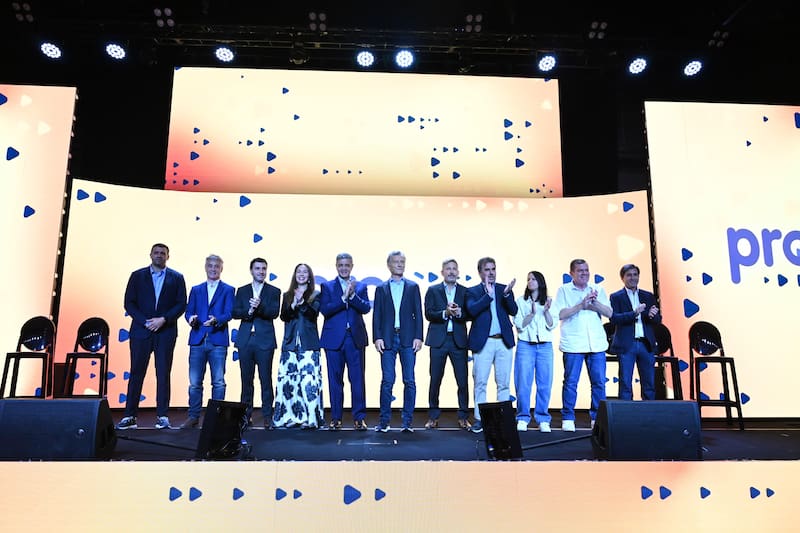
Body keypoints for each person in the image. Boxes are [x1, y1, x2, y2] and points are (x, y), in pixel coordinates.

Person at [116, 243, 187, 430]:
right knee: (136, 373)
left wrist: (163, 319)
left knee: (163, 374)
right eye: (156, 252)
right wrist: (145, 321)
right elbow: (129, 303)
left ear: (168, 257)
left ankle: (162, 416)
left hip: (166, 332)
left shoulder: (177, 278)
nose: (159, 255)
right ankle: (130, 416)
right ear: (150, 255)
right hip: (141, 331)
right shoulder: (137, 276)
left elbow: (181, 304)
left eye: (163, 253)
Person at [554, 258, 613, 431]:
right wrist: (581, 305)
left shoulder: (597, 289)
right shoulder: (564, 290)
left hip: (596, 343)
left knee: (599, 383)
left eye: (586, 270)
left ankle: (597, 418)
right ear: (571, 273)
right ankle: (568, 417)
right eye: (580, 271)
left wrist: (594, 303)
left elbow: (609, 313)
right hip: (574, 344)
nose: (584, 273)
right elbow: (560, 314)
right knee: (571, 382)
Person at [179, 254, 235, 429]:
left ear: (221, 269)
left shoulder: (228, 289)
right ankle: (193, 416)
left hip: (218, 341)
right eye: (210, 265)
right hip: (197, 339)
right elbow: (188, 311)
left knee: (218, 382)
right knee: (195, 383)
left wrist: (217, 320)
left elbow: (230, 313)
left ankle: (216, 419)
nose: (213, 269)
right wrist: (190, 318)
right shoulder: (196, 289)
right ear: (205, 267)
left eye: (216, 266)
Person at [465, 257, 518, 434]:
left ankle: (504, 420)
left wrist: (507, 295)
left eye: (493, 269)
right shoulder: (472, 291)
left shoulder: (504, 289)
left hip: (503, 342)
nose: (491, 273)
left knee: (503, 383)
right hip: (484, 342)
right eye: (487, 269)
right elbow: (472, 310)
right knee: (480, 382)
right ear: (480, 272)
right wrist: (488, 296)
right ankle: (480, 419)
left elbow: (514, 310)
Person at [372, 251, 423, 432]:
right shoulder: (381, 288)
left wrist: (419, 336)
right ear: (389, 265)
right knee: (387, 381)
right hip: (387, 338)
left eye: (402, 261)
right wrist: (377, 337)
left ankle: (407, 422)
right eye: (396, 262)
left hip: (408, 338)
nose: (400, 264)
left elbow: (418, 313)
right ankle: (384, 422)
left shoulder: (413, 287)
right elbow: (377, 315)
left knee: (409, 380)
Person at [319, 253, 371, 431]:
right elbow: (325, 310)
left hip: (354, 338)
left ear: (352, 266)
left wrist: (353, 296)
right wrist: (343, 299)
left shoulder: (360, 286)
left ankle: (359, 418)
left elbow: (366, 308)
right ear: (336, 266)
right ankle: (336, 418)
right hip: (333, 340)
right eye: (340, 265)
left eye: (347, 265)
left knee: (357, 380)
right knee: (335, 381)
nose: (344, 268)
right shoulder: (327, 286)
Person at [273, 263, 324, 429]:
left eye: (305, 272)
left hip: (309, 344)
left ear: (309, 276)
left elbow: (313, 314)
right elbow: (284, 316)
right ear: (295, 275)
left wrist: (302, 302)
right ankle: (293, 416)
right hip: (290, 345)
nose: (301, 274)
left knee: (309, 382)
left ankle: (312, 418)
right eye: (298, 272)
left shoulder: (315, 294)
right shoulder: (287, 295)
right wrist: (293, 304)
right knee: (290, 382)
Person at [423, 258, 471, 430]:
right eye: (448, 269)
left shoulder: (465, 291)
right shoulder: (433, 290)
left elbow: (470, 313)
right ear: (442, 272)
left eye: (454, 269)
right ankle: (433, 416)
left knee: (462, 381)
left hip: (458, 341)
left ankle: (463, 417)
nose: (451, 272)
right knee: (435, 379)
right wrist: (445, 313)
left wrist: (459, 313)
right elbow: (428, 313)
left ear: (458, 272)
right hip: (438, 341)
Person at [232, 258, 281, 428]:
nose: (261, 271)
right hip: (245, 340)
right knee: (246, 380)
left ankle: (267, 416)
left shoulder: (274, 291)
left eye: (263, 268)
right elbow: (235, 312)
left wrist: (259, 307)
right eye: (258, 268)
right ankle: (246, 416)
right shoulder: (242, 290)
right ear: (251, 270)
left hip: (265, 341)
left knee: (265, 379)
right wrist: (249, 311)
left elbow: (274, 313)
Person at [609, 263, 662, 401]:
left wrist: (652, 315)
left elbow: (657, 320)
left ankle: (649, 412)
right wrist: (634, 313)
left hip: (646, 344)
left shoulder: (648, 296)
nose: (633, 278)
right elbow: (614, 319)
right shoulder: (616, 297)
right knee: (625, 383)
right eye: (629, 275)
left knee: (649, 383)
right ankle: (626, 412)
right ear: (622, 278)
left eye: (635, 274)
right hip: (627, 344)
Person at [513, 271, 557, 433]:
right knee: (523, 383)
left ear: (540, 282)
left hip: (545, 346)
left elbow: (552, 325)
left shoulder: (549, 301)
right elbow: (519, 325)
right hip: (526, 345)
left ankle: (543, 418)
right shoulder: (521, 301)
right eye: (528, 279)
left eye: (533, 279)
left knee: (545, 384)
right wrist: (531, 313)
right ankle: (522, 417)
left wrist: (546, 311)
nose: (530, 281)